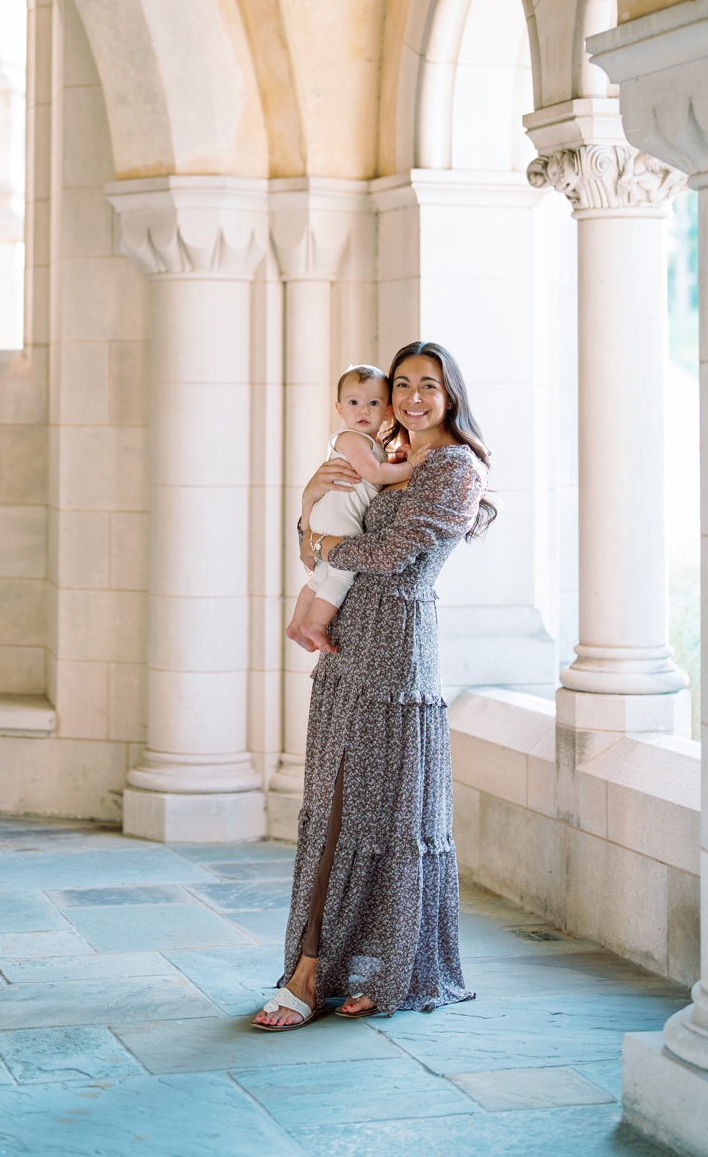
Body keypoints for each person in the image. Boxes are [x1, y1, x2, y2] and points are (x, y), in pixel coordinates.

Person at [254, 340, 495, 1031]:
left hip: (396, 649)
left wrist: (325, 546)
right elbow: (314, 533)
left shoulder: (453, 466)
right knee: (335, 805)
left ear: (451, 395)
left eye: (429, 385)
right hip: (348, 643)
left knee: (379, 816)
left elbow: (391, 556)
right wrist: (310, 516)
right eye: (403, 385)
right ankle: (348, 968)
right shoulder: (387, 450)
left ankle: (322, 975)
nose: (414, 397)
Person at [285, 364, 422, 653]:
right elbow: (375, 474)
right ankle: (316, 625)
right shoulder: (350, 438)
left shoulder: (369, 444)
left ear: (387, 411)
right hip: (339, 520)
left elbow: (379, 467)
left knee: (323, 574)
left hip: (328, 517)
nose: (363, 411)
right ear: (339, 409)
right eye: (354, 403)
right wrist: (411, 465)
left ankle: (297, 626)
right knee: (342, 573)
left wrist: (397, 458)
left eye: (373, 403)